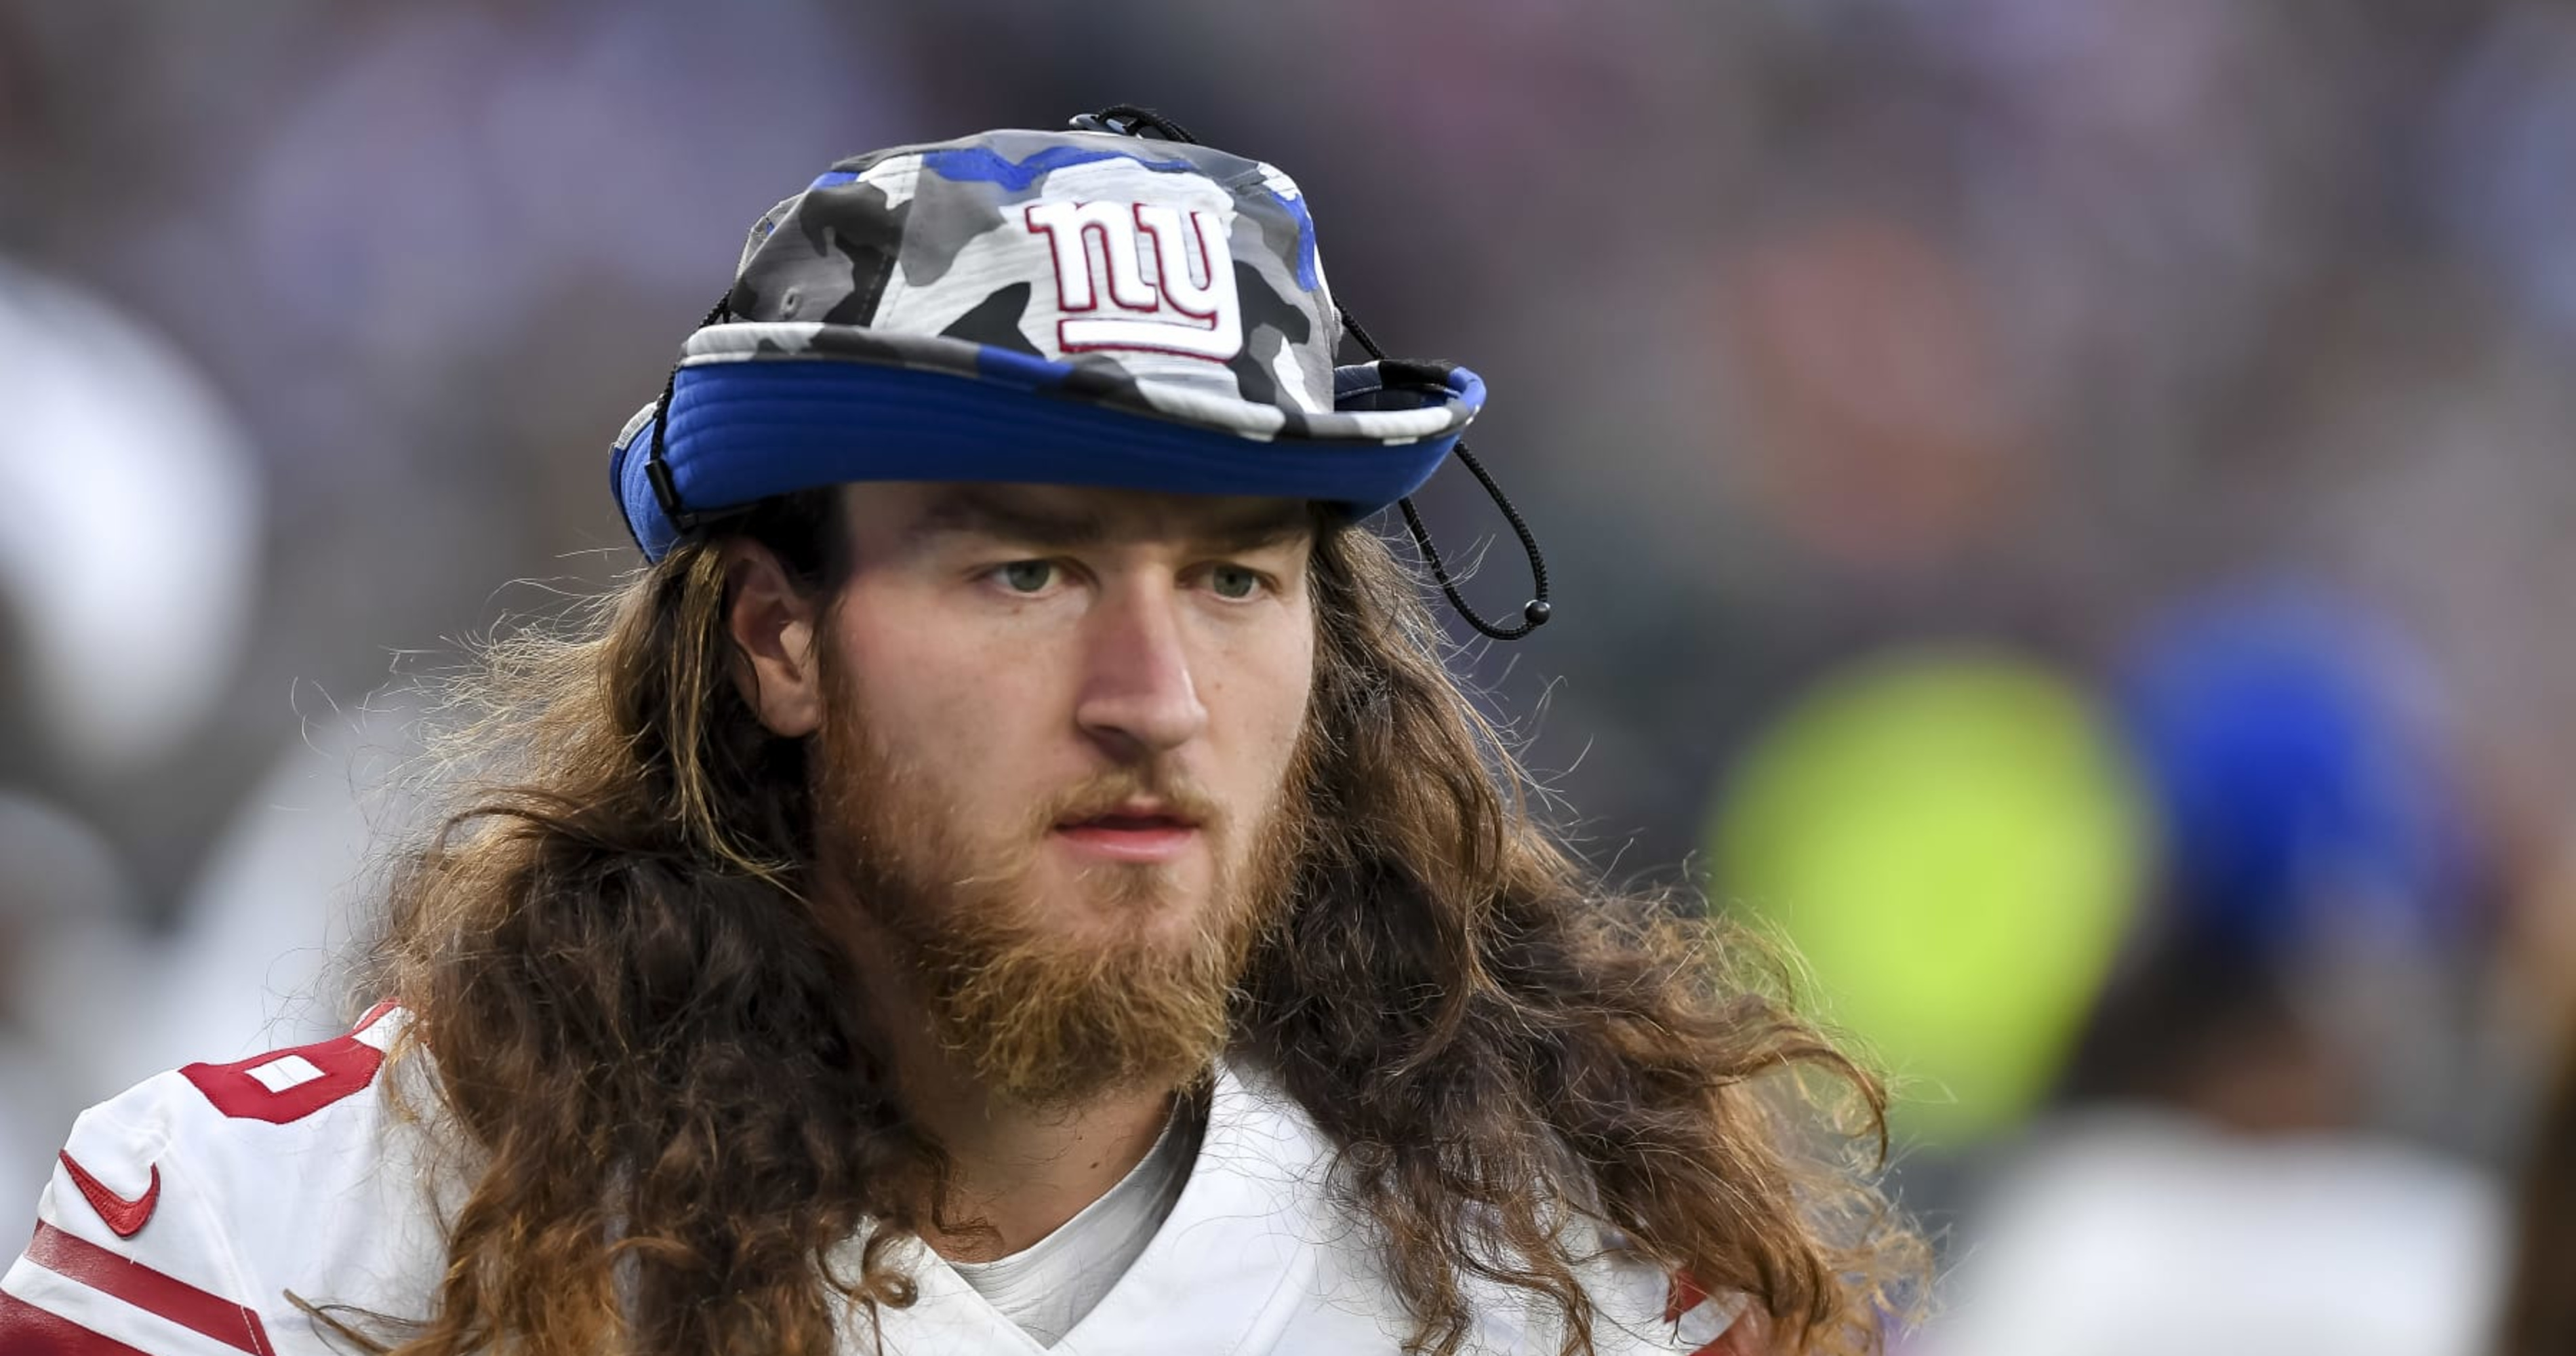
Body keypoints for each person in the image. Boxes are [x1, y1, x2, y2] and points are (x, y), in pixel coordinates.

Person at [0, 115, 1921, 1356]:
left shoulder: (1622, 1305)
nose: (1153, 699)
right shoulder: (263, 1253)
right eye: (1026, 573)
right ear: (777, 640)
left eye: (1239, 582)